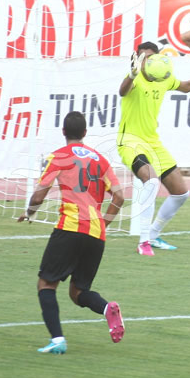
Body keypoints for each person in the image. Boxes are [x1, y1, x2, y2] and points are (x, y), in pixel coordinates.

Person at [18, 111, 125, 354]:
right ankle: (107, 308)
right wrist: (103, 222)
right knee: (78, 293)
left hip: (70, 227)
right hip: (96, 233)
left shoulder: (58, 156)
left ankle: (57, 340)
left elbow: (39, 193)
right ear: (85, 133)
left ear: (64, 132)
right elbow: (119, 196)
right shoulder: (101, 160)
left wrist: (31, 212)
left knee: (46, 284)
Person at [118, 41, 190, 256]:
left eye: (151, 57)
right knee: (152, 181)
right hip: (130, 141)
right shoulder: (134, 80)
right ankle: (143, 241)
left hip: (152, 142)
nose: (148, 61)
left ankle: (153, 236)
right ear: (136, 59)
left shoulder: (163, 78)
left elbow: (186, 86)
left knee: (181, 193)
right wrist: (132, 74)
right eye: (143, 57)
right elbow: (122, 91)